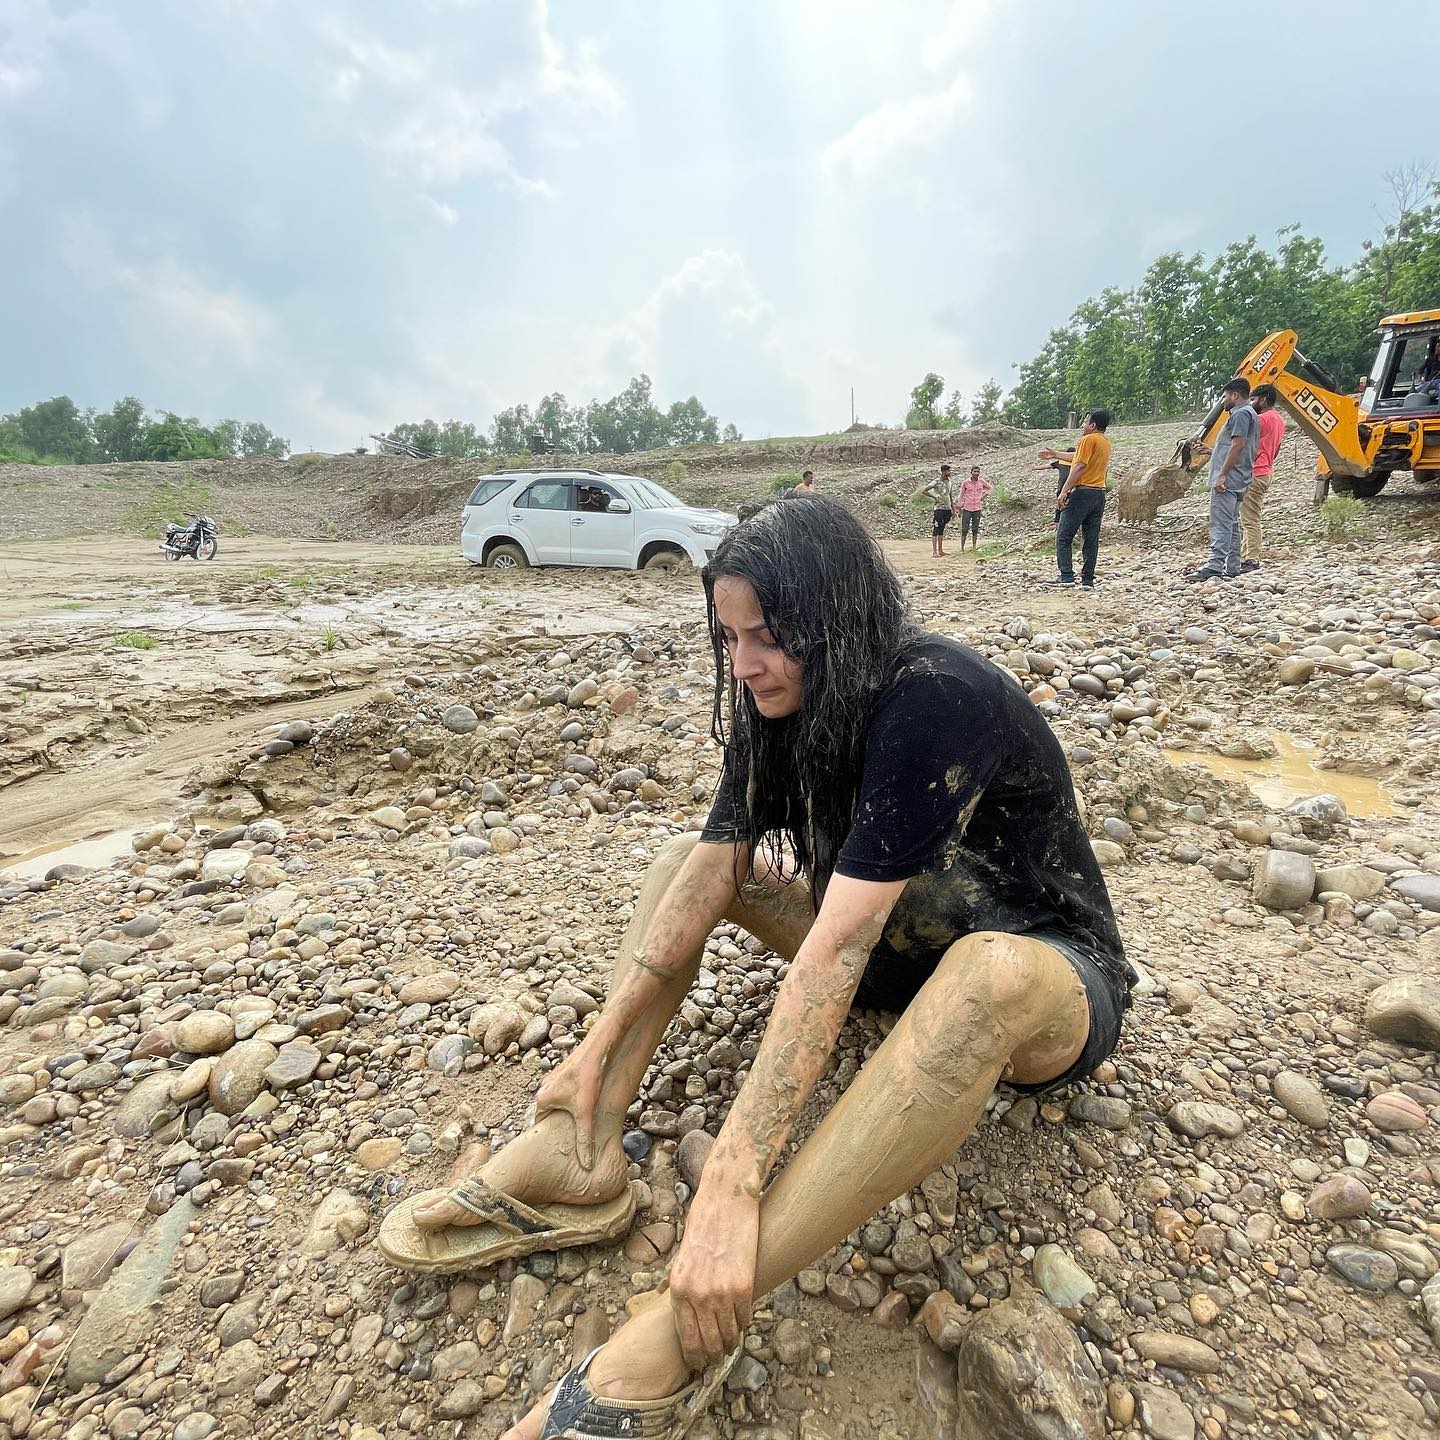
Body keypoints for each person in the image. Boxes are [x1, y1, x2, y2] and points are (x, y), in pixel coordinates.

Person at [377, 498, 1134, 1440]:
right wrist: (593, 1052)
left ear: (837, 623)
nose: (743, 664)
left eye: (768, 638)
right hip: (899, 963)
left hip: (1043, 983)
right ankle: (585, 1147)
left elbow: (840, 944)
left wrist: (732, 1181)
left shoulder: (937, 695)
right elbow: (717, 864)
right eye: (731, 636)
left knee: (983, 977)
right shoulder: (778, 696)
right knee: (676, 872)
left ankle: (684, 1325)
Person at [1187, 378, 1258, 583]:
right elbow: (1234, 446)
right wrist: (1212, 451)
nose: (1223, 401)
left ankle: (1215, 565)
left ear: (1235, 395)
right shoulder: (1249, 413)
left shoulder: (1240, 414)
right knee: (1232, 523)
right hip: (1240, 477)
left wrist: (1222, 474)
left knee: (1221, 523)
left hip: (1230, 479)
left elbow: (1238, 445)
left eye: (1226, 396)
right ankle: (1233, 565)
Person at [1048, 408, 1111, 587]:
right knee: (1091, 538)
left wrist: (1064, 490)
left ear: (1092, 425)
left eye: (1085, 422)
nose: (1083, 425)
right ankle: (1087, 579)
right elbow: (1077, 457)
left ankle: (1066, 575)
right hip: (1099, 494)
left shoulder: (1087, 439)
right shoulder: (1105, 442)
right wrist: (1056, 454)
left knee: (1064, 536)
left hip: (1082, 493)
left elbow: (1079, 466)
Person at [1240, 383, 1285, 573]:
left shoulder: (1260, 420)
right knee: (1249, 517)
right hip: (1266, 471)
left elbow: (1243, 445)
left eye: (1253, 399)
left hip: (1255, 473)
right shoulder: (1279, 420)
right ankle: (1245, 557)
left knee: (1250, 519)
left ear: (1263, 399)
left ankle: (1251, 559)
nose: (1251, 403)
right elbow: (1276, 449)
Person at [957, 464, 991, 553]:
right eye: (974, 471)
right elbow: (961, 495)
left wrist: (984, 496)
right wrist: (959, 507)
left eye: (978, 472)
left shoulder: (981, 482)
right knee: (965, 528)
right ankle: (962, 548)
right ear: (971, 472)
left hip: (977, 508)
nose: (976, 473)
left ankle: (974, 547)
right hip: (967, 507)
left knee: (975, 528)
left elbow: (990, 488)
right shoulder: (966, 483)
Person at [923, 462, 955, 557]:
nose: (949, 472)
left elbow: (950, 496)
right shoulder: (936, 481)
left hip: (947, 508)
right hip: (939, 508)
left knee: (942, 528)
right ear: (943, 471)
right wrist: (934, 497)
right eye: (948, 471)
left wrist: (953, 509)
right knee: (936, 528)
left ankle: (940, 550)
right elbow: (924, 490)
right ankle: (934, 551)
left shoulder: (949, 482)